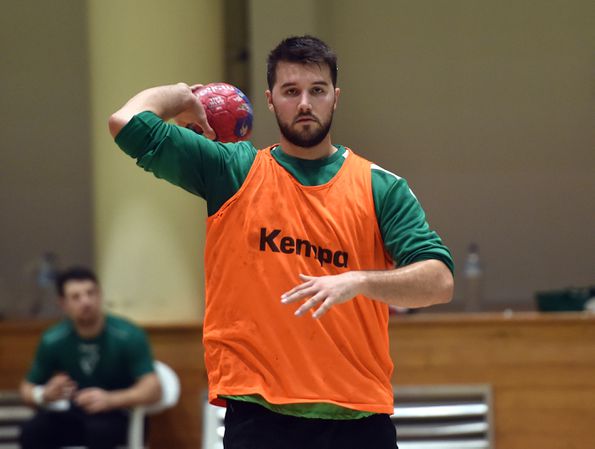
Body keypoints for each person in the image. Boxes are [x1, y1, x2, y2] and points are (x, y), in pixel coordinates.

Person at [109, 35, 454, 449]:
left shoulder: (381, 187)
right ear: (270, 100)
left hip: (358, 418)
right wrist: (183, 95)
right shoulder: (232, 171)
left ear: (335, 98)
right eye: (291, 91)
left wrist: (359, 281)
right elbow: (125, 122)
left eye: (317, 90)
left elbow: (439, 281)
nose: (305, 103)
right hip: (261, 420)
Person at [19, 267, 161, 449]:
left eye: (90, 293)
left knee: (100, 431)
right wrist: (43, 395)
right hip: (73, 413)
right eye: (76, 297)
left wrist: (111, 399)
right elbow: (26, 388)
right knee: (32, 431)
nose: (86, 302)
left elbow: (152, 388)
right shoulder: (53, 339)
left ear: (100, 295)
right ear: (62, 304)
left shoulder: (127, 335)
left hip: (118, 413)